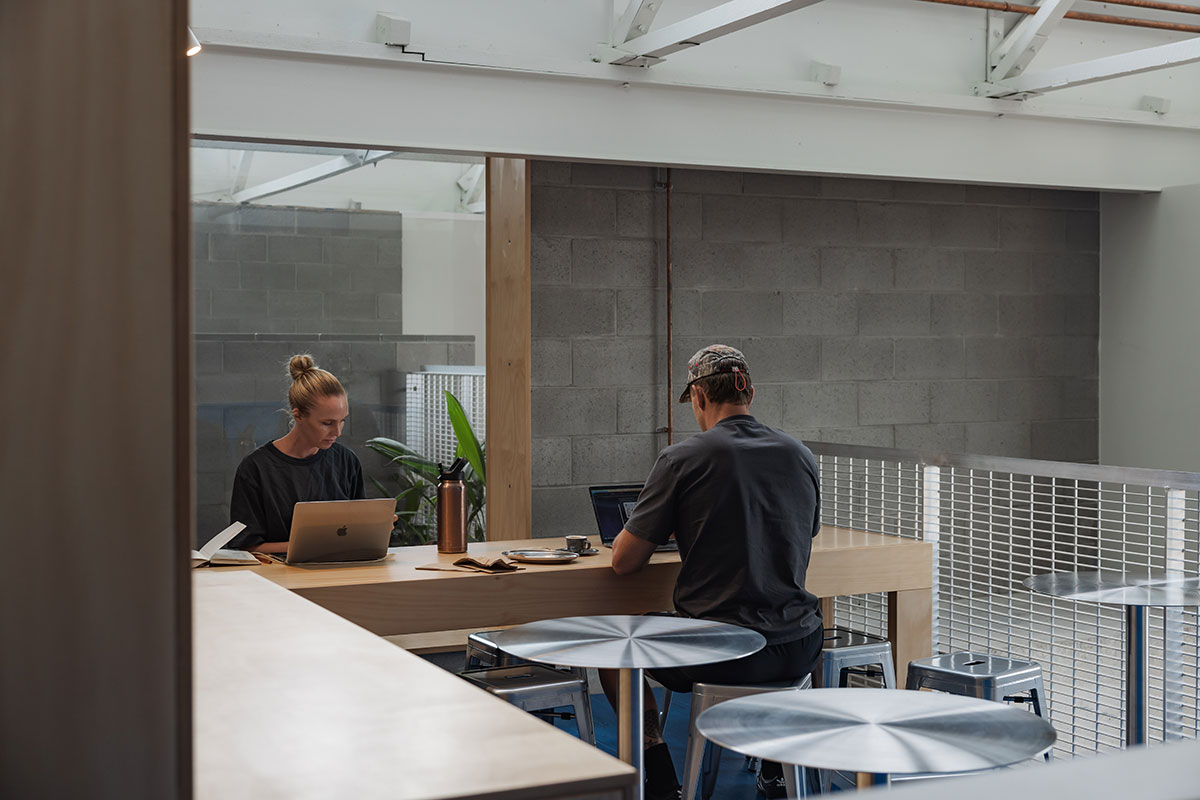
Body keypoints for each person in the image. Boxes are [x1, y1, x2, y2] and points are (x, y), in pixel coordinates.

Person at [604, 344, 823, 800]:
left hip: (720, 649)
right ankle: (776, 767)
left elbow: (624, 562)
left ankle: (658, 774)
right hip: (798, 645)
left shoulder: (682, 458)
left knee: (612, 647)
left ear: (699, 397)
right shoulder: (800, 454)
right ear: (751, 393)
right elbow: (806, 531)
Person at [227, 354, 365, 552]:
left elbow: (356, 531)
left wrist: (378, 527)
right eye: (327, 423)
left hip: (338, 572)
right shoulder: (256, 468)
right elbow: (246, 547)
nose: (338, 432)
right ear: (298, 415)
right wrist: (313, 547)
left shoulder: (346, 461)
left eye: (343, 420)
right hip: (277, 578)